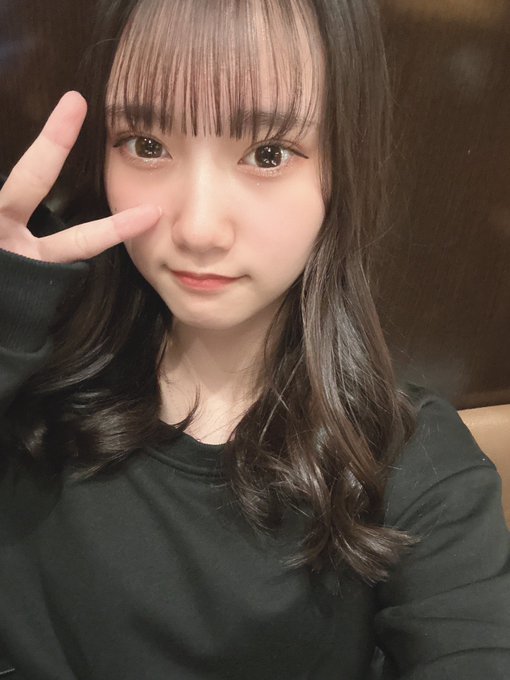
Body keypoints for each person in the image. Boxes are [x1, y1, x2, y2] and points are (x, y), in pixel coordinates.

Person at [0, 0, 509, 678]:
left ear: (342, 167)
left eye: (268, 154)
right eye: (147, 145)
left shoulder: (410, 463)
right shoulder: (27, 368)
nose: (199, 229)